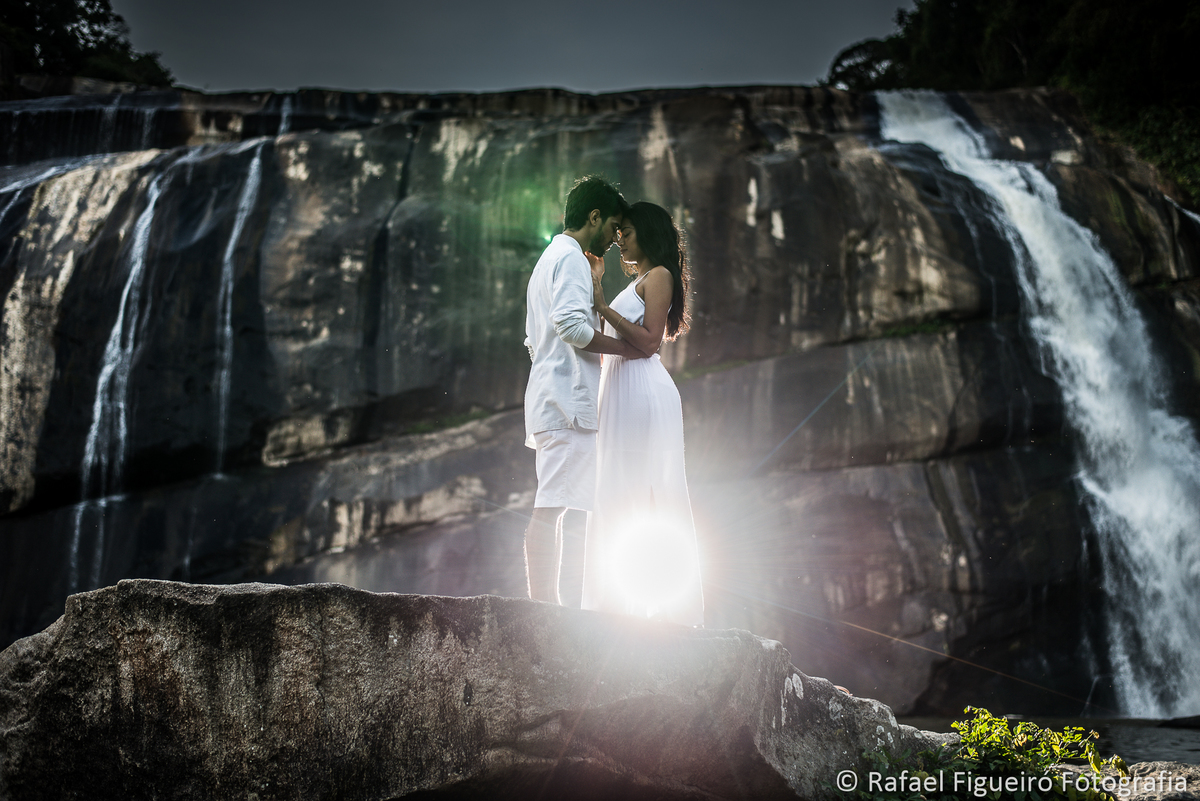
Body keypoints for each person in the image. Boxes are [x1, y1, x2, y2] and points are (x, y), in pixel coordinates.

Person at [582, 201, 704, 626]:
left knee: (646, 491)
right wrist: (598, 286)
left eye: (627, 233)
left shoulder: (660, 276)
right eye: (620, 234)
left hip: (642, 391)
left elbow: (650, 341)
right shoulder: (636, 281)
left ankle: (664, 608)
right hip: (621, 388)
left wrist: (601, 306)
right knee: (618, 488)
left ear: (648, 234)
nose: (620, 241)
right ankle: (620, 606)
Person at [522, 176, 643, 605]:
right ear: (594, 216)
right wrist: (625, 349)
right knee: (551, 506)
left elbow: (534, 339)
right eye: (612, 226)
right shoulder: (569, 257)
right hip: (566, 399)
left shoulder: (550, 258)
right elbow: (571, 327)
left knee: (556, 503)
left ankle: (550, 604)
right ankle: (544, 608)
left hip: (550, 394)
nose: (615, 237)